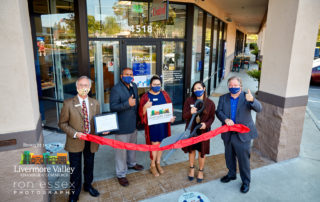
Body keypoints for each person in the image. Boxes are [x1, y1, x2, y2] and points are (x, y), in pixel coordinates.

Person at [59, 76, 105, 202]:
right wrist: (75, 134)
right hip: (75, 141)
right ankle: (74, 193)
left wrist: (102, 130)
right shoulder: (68, 103)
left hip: (91, 141)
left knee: (89, 165)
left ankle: (88, 186)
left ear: (90, 88)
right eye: (81, 85)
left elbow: (97, 122)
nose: (83, 88)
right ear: (76, 87)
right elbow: (62, 124)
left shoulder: (95, 103)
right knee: (75, 170)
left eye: (86, 85)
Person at [216, 76, 262, 193]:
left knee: (243, 160)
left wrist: (252, 100)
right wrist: (225, 119)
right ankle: (231, 174)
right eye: (231, 85)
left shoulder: (247, 97)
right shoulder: (223, 98)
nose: (233, 87)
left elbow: (259, 108)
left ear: (240, 86)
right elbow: (219, 112)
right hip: (228, 133)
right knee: (229, 156)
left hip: (243, 135)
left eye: (235, 85)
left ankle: (246, 182)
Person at [110, 68, 144, 187]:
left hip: (133, 123)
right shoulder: (115, 89)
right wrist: (127, 104)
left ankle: (132, 163)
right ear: (121, 76)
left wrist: (139, 118)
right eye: (126, 74)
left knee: (132, 147)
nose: (129, 76)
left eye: (131, 74)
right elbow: (113, 107)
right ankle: (121, 174)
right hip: (122, 125)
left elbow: (137, 103)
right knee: (121, 152)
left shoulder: (134, 85)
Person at [139, 75, 176, 177]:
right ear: (150, 85)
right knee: (155, 145)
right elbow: (141, 114)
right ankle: (152, 165)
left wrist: (171, 117)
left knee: (162, 144)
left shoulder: (165, 94)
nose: (156, 86)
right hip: (153, 126)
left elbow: (170, 108)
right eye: (154, 84)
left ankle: (158, 163)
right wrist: (145, 107)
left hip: (163, 125)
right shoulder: (145, 97)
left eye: (158, 84)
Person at [182, 81, 216, 183]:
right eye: (195, 89)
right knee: (191, 150)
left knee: (202, 152)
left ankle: (201, 170)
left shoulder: (210, 103)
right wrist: (190, 112)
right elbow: (184, 116)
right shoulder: (189, 101)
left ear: (204, 89)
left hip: (203, 132)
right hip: (191, 130)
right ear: (193, 90)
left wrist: (206, 124)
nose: (197, 90)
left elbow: (212, 117)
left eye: (199, 88)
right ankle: (191, 168)